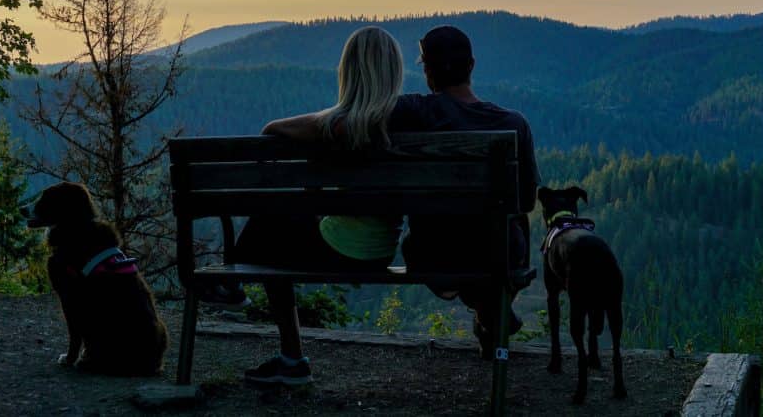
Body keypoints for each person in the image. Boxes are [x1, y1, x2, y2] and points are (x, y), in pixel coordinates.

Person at [208, 26, 405, 387]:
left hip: (341, 248)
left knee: (270, 219)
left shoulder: (342, 126)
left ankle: (242, 299)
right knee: (281, 218)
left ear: (350, 71)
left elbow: (273, 128)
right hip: (380, 249)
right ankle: (276, 341)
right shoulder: (404, 123)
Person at [390, 25, 541, 357]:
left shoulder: (412, 112)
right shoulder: (514, 124)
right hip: (497, 254)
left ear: (427, 71)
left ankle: (488, 314)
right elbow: (528, 200)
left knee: (455, 235)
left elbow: (356, 117)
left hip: (433, 253)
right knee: (513, 222)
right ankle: (490, 312)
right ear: (471, 65)